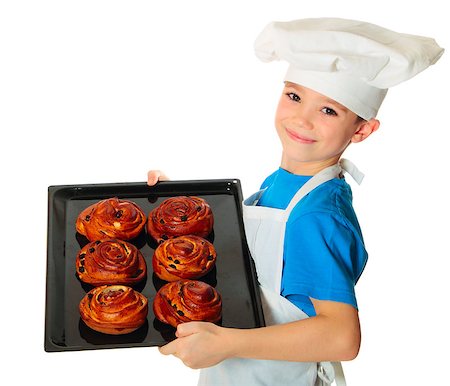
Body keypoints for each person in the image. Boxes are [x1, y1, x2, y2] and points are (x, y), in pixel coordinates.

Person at [147, 18, 443, 386]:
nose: (302, 119)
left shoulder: (316, 215)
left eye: (329, 110)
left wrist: (227, 342)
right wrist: (172, 207)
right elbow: (244, 255)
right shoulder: (281, 185)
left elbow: (342, 337)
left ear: (362, 130)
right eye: (295, 96)